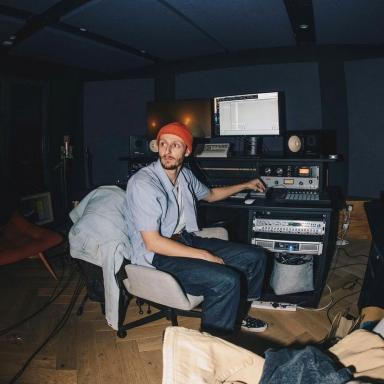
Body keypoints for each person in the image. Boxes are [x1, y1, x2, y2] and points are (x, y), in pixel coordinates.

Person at [125, 122, 267, 334]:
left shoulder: (185, 176)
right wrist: (203, 255)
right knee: (226, 281)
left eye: (176, 145)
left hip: (183, 240)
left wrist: (245, 185)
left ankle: (237, 314)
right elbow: (152, 242)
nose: (168, 151)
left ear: (187, 151)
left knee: (256, 257)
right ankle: (211, 345)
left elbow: (211, 195)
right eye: (163, 144)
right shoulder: (144, 183)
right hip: (155, 255)